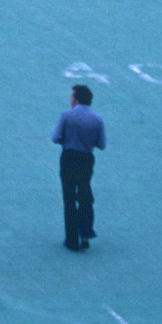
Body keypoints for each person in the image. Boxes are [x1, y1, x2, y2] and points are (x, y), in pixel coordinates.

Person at [51, 86, 103, 251]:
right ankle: (85, 233)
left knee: (69, 198)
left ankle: (71, 240)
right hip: (86, 160)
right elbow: (101, 144)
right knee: (84, 195)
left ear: (76, 99)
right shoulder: (97, 119)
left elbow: (56, 137)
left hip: (68, 158)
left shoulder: (66, 115)